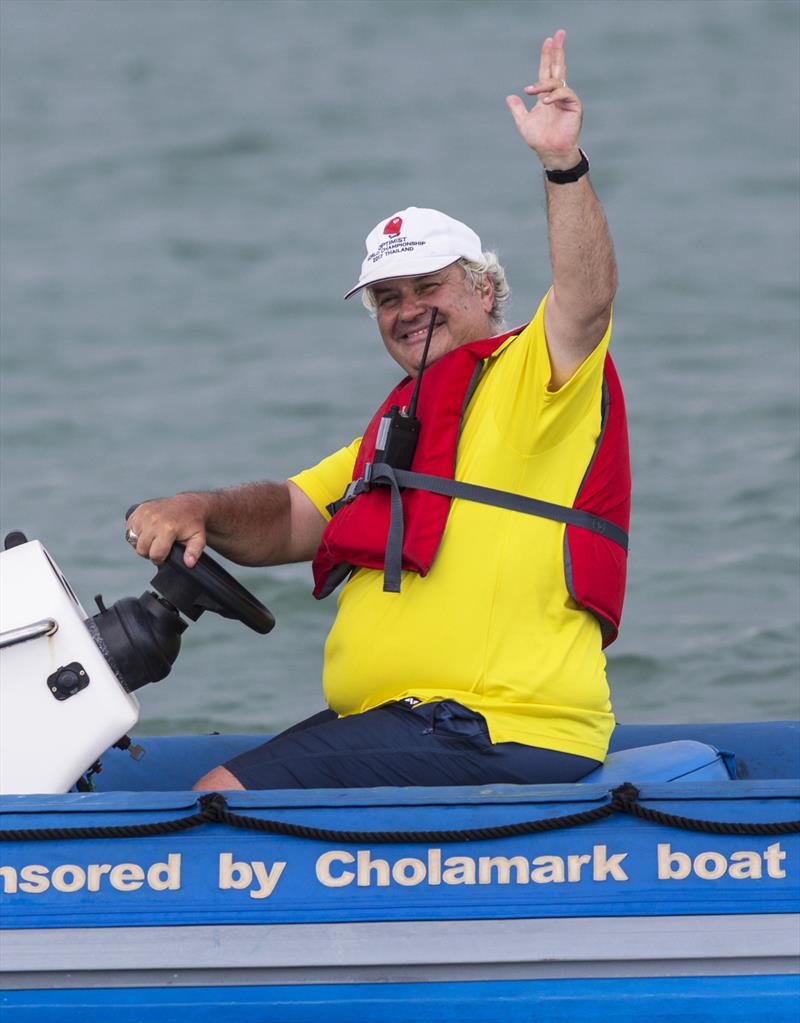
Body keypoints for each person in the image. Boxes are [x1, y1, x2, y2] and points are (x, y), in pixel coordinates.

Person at [124, 29, 630, 791]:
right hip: (413, 721)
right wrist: (196, 506)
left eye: (430, 288)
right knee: (193, 773)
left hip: (494, 724)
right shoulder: (400, 426)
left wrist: (563, 164)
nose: (407, 311)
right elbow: (294, 513)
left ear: (483, 289)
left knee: (219, 797)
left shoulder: (538, 375)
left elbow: (587, 298)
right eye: (388, 299)